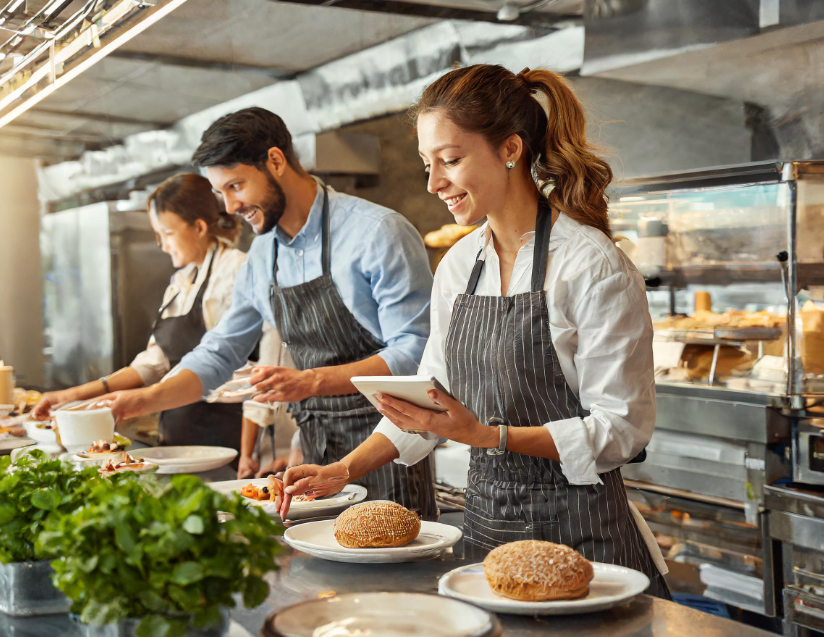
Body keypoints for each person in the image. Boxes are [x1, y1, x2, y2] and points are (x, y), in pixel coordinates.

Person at [282, 64, 671, 598]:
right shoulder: (460, 264)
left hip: (582, 543)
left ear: (510, 149)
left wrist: (489, 437)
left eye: (451, 159)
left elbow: (622, 431)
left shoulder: (590, 265)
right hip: (485, 534)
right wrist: (343, 470)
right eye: (427, 164)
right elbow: (427, 402)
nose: (433, 183)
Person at [90, 108, 438, 520]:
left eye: (236, 185)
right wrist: (142, 400)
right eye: (222, 193)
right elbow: (219, 352)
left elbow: (415, 352)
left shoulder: (377, 232)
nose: (231, 205)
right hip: (313, 460)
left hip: (389, 447)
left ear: (275, 161)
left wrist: (311, 381)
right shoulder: (262, 255)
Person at [34, 174, 248, 451]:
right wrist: (74, 395)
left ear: (198, 227)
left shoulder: (235, 272)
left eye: (167, 233)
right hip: (180, 439)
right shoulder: (181, 281)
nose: (162, 245)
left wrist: (144, 399)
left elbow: (226, 366)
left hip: (231, 438)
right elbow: (154, 362)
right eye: (157, 235)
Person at [237, 322, 300, 479]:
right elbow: (256, 396)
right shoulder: (271, 326)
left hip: (312, 453)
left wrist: (299, 454)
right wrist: (246, 455)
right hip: (270, 455)